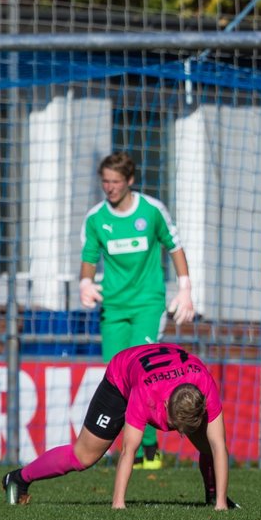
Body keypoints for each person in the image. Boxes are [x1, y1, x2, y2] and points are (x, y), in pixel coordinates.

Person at [1, 343, 236, 511]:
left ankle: (215, 497)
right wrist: (118, 503)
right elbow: (128, 451)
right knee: (83, 456)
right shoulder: (146, 394)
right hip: (122, 376)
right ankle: (19, 478)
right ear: (165, 405)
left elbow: (219, 448)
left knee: (208, 445)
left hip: (167, 371)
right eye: (177, 426)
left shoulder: (205, 385)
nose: (180, 433)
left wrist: (221, 506)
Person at [79, 152, 196, 470]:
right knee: (116, 379)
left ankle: (148, 450)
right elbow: (89, 256)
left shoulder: (152, 211)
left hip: (148, 304)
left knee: (142, 374)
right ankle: (122, 448)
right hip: (114, 308)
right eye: (104, 181)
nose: (109, 187)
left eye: (115, 181)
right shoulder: (95, 218)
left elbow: (174, 246)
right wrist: (85, 283)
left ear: (129, 181)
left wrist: (185, 289)